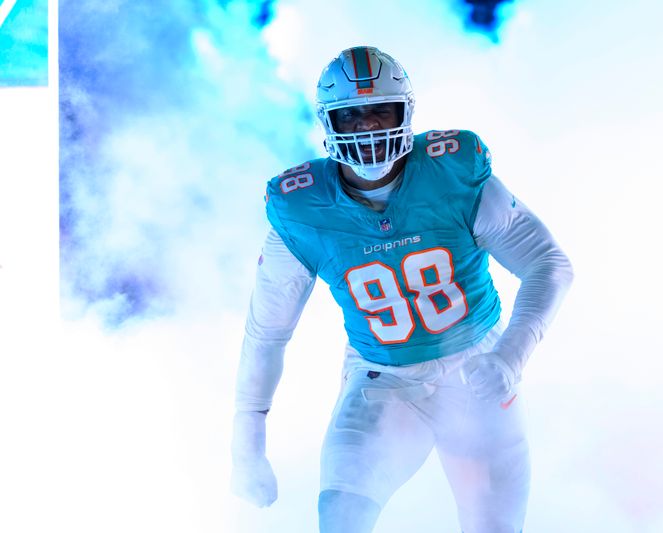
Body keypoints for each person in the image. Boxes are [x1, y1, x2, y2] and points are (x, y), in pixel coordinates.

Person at [230, 45, 573, 533]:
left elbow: (549, 263)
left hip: (474, 370)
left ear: (406, 112)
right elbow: (266, 332)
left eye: (380, 111)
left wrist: (509, 358)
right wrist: (246, 445)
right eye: (353, 115)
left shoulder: (452, 171)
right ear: (329, 123)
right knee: (341, 523)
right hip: (381, 381)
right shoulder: (301, 208)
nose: (369, 126)